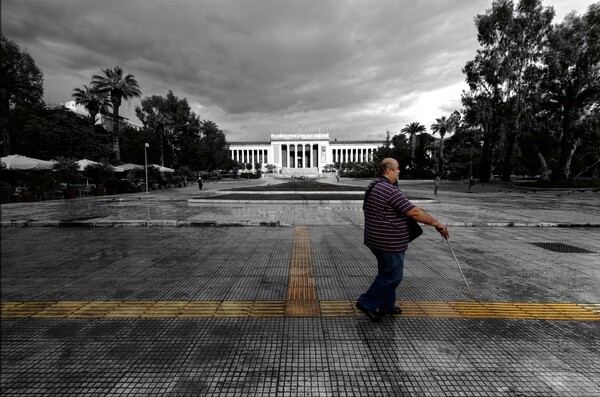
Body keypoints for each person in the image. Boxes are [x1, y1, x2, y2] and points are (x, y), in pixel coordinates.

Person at [356, 158, 449, 322]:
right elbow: (414, 213)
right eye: (398, 169)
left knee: (387, 272)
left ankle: (387, 306)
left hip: (376, 239)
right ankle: (366, 303)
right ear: (388, 170)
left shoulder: (374, 185)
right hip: (388, 242)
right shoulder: (388, 189)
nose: (399, 171)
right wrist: (437, 223)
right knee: (393, 277)